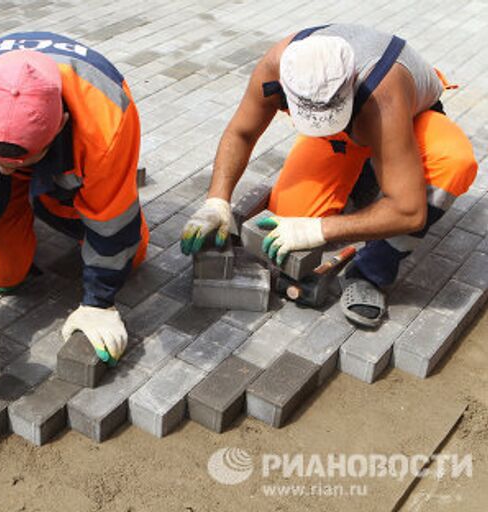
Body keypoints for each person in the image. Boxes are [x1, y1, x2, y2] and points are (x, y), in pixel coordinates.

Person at [181, 23, 477, 327]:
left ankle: (369, 273)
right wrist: (217, 201)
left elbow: (410, 213)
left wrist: (319, 229)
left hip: (401, 120)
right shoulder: (277, 66)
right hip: (347, 131)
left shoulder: (384, 93)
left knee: (452, 163)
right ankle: (368, 175)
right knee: (292, 219)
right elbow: (241, 133)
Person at [0, 32, 148, 363]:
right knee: (1, 277)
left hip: (69, 157)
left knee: (131, 253)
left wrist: (99, 303)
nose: (10, 173)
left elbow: (112, 220)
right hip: (29, 155)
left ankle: (52, 200)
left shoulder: (107, 122)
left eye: (21, 165)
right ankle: (11, 188)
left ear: (61, 125)